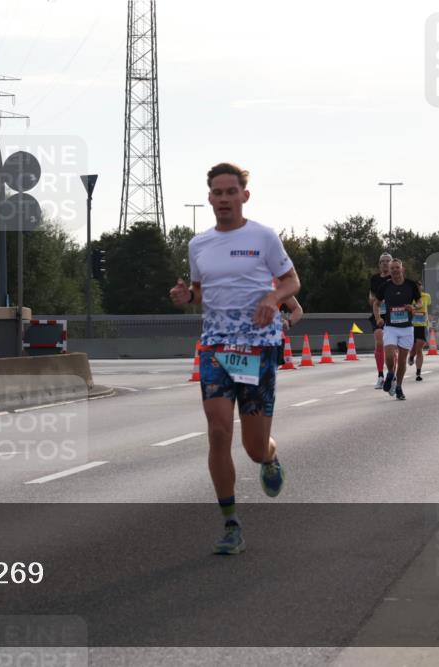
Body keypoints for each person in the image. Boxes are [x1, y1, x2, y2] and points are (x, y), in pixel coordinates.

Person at [169, 162, 300, 556]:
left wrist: (272, 297)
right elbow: (199, 292)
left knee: (254, 448)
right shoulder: (199, 245)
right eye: (217, 192)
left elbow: (292, 282)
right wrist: (186, 298)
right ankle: (231, 525)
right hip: (215, 348)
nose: (224, 199)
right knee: (218, 430)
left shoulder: (263, 237)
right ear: (209, 197)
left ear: (244, 195)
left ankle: (270, 457)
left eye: (231, 192)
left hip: (258, 348)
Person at [373, 259, 420, 401]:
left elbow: (419, 302)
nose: (394, 270)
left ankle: (399, 387)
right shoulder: (385, 286)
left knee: (402, 360)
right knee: (389, 354)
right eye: (392, 268)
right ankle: (390, 374)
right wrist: (378, 318)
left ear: (402, 269)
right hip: (391, 327)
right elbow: (376, 303)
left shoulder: (411, 285)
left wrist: (414, 307)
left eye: (397, 268)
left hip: (407, 328)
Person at [368, 254, 393, 389]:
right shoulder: (375, 279)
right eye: (382, 261)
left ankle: (392, 373)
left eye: (387, 261)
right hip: (377, 314)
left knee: (390, 346)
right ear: (379, 264)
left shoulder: (395, 278)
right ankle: (380, 375)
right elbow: (371, 294)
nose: (385, 263)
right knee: (379, 343)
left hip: (392, 315)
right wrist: (373, 300)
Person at [408, 279, 431, 381]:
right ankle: (411, 356)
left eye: (419, 285)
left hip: (422, 325)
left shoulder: (427, 296)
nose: (418, 287)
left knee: (419, 349)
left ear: (421, 287)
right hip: (411, 326)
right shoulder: (409, 297)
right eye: (416, 286)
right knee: (413, 348)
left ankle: (418, 372)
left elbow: (428, 306)